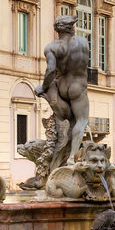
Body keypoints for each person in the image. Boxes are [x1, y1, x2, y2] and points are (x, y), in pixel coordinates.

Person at [39, 15, 91, 175]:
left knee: (70, 121)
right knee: (81, 120)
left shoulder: (51, 47)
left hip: (61, 86)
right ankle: (70, 159)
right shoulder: (83, 43)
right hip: (78, 86)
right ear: (71, 28)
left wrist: (43, 87)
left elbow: (50, 71)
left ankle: (59, 157)